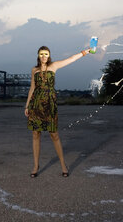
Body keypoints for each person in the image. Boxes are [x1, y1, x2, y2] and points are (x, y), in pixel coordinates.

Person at [25, 45, 91, 178]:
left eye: (46, 54)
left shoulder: (54, 66)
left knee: (54, 134)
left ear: (49, 56)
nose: (44, 56)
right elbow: (32, 88)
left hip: (50, 104)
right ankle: (35, 166)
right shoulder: (34, 70)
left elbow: (71, 59)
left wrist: (84, 52)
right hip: (36, 104)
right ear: (38, 55)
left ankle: (63, 165)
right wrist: (27, 106)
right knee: (35, 134)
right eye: (42, 54)